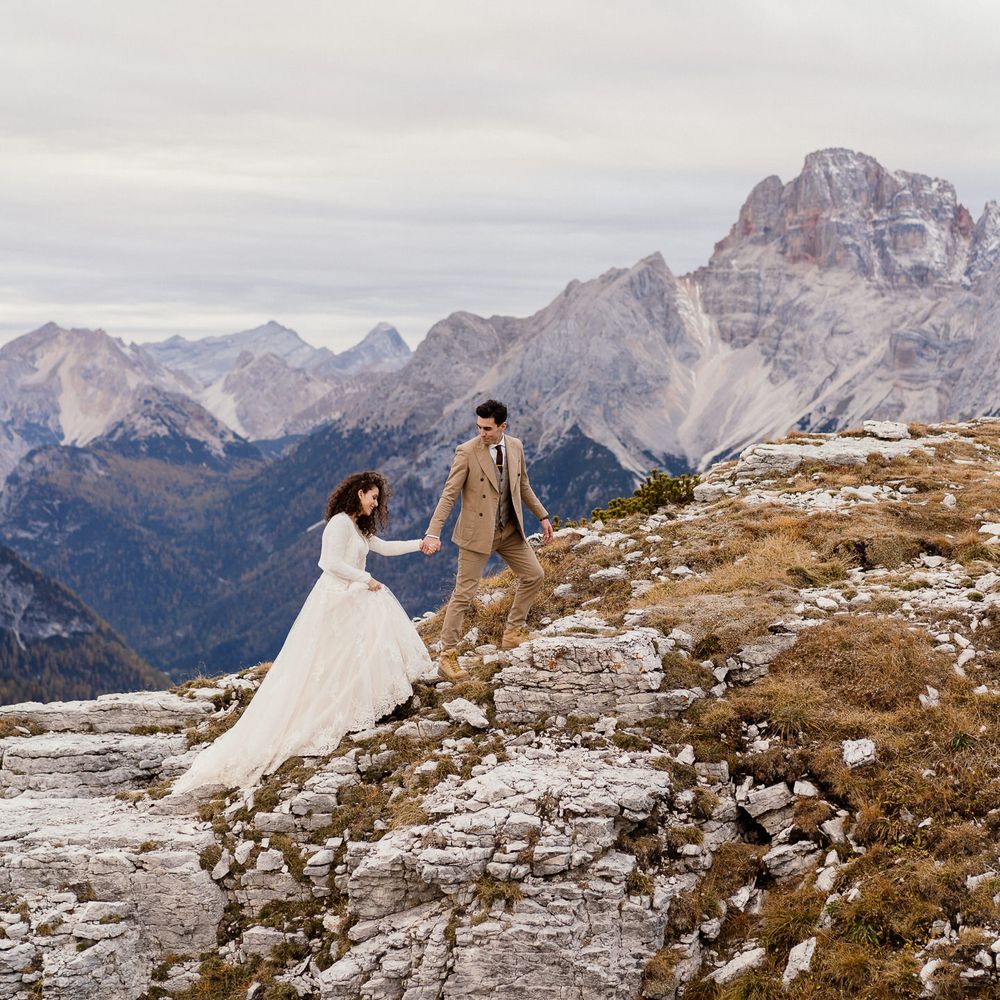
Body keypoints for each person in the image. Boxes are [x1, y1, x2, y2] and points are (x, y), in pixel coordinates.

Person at [169, 471, 433, 797]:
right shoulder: (338, 523)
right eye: (373, 497)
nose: (376, 503)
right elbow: (329, 562)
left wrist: (419, 545)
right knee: (332, 654)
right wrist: (364, 579)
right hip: (337, 597)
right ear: (359, 493)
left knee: (356, 648)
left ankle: (367, 701)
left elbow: (384, 547)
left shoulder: (357, 527)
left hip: (351, 596)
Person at [422, 399, 553, 680]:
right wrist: (433, 531)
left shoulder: (515, 446)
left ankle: (513, 632)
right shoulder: (467, 452)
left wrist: (542, 515)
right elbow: (449, 494)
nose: (482, 433)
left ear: (502, 426)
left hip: (508, 530)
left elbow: (523, 485)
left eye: (488, 428)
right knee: (464, 594)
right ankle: (447, 656)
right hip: (476, 534)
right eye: (479, 427)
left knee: (534, 575)